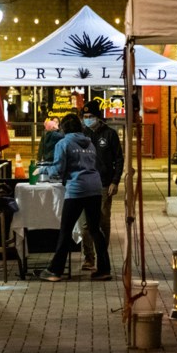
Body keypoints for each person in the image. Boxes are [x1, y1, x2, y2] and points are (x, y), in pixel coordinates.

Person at [40, 113, 112, 282]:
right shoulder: (90, 143)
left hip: (76, 189)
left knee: (65, 230)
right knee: (95, 229)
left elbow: (57, 170)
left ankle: (55, 271)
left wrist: (43, 170)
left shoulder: (63, 143)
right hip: (94, 187)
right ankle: (104, 269)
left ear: (64, 128)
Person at [79, 101, 122, 273]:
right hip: (85, 184)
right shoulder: (82, 135)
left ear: (99, 117)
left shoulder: (110, 134)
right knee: (85, 225)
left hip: (104, 184)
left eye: (91, 117)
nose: (88, 120)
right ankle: (89, 258)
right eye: (85, 117)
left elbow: (119, 159)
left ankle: (102, 258)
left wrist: (115, 181)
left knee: (102, 222)